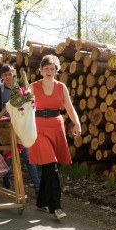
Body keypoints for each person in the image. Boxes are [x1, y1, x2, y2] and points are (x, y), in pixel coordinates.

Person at [29, 55, 81, 220]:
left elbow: (70, 109)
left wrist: (77, 124)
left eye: (52, 68)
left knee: (49, 165)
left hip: (57, 127)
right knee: (51, 165)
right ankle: (56, 206)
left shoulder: (61, 87)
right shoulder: (32, 87)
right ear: (41, 70)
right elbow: (22, 108)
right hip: (39, 128)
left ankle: (41, 202)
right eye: (46, 69)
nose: (49, 71)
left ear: (57, 70)